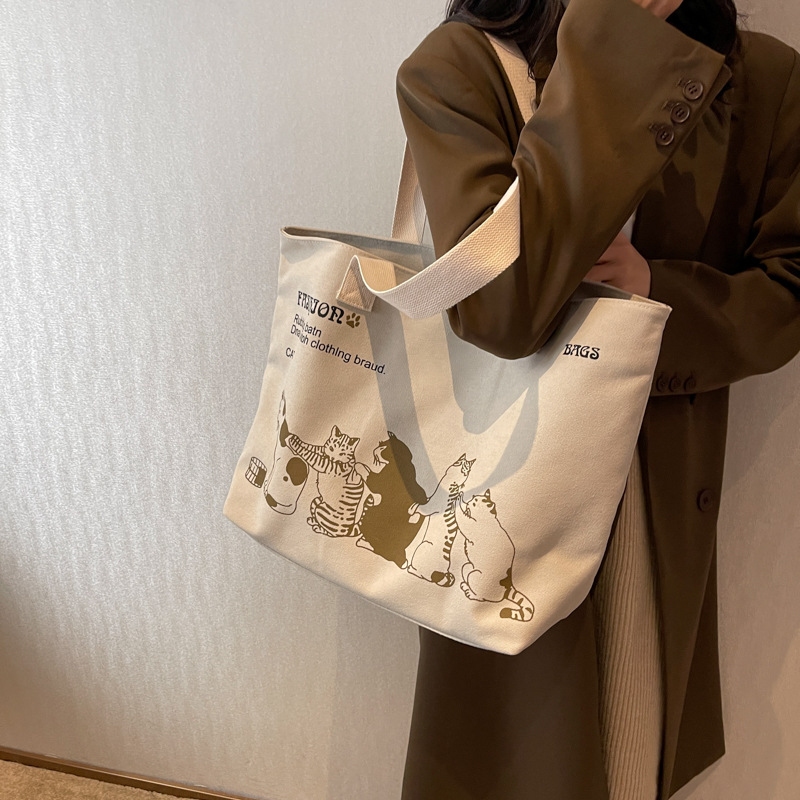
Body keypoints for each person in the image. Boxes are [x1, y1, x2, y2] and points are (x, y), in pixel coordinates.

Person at [395, 0, 800, 798]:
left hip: (648, 513)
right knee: (504, 762)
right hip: (497, 505)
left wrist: (655, 296)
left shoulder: (764, 80)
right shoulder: (458, 69)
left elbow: (788, 289)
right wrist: (607, 46)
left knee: (629, 751)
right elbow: (499, 309)